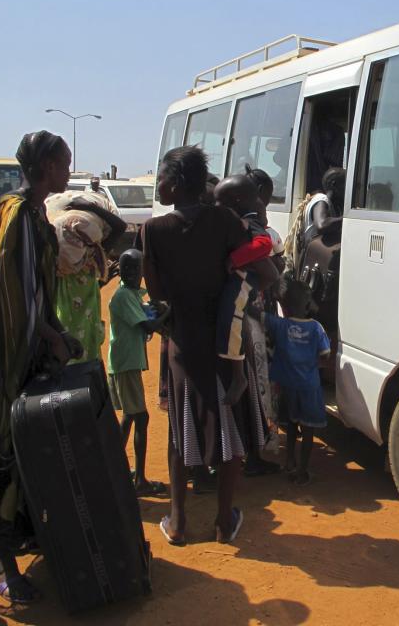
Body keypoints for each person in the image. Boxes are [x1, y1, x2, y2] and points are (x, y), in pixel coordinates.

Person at [0, 130, 81, 604]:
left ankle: (21, 542)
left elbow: (36, 293)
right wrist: (50, 336)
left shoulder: (29, 213)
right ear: (46, 165)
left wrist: (56, 332)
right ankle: (2, 568)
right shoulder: (15, 215)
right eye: (64, 162)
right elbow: (14, 296)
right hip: (5, 359)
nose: (68, 170)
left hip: (24, 352)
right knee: (5, 455)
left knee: (27, 456)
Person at [142, 146, 251, 545]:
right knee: (226, 429)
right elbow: (251, 265)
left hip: (182, 344)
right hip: (223, 343)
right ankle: (224, 521)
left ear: (172, 185)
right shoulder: (225, 220)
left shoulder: (153, 230)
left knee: (178, 431)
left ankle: (178, 521)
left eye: (160, 180)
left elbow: (156, 292)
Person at [213, 176, 281, 477]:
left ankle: (238, 374)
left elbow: (264, 245)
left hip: (245, 281)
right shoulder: (240, 217)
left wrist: (234, 260)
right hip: (248, 281)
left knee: (232, 320)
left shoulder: (250, 220)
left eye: (223, 202)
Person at [107, 249, 170, 497]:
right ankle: (139, 481)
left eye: (137, 269)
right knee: (139, 417)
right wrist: (169, 311)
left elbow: (145, 313)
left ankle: (116, 468)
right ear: (122, 271)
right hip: (126, 364)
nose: (134, 274)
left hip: (127, 363)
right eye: (129, 270)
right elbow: (149, 325)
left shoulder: (131, 293)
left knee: (130, 417)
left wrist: (155, 308)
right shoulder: (123, 296)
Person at [265, 279, 331, 486]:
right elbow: (325, 354)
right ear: (307, 304)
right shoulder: (316, 328)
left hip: (289, 387)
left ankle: (289, 460)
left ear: (284, 306)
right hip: (309, 387)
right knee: (309, 430)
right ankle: (302, 471)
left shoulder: (281, 325)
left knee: (292, 425)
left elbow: (256, 315)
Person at [51, 194, 125, 363]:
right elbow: (119, 227)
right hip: (81, 338)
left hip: (72, 335)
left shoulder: (56, 267)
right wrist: (91, 207)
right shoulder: (92, 260)